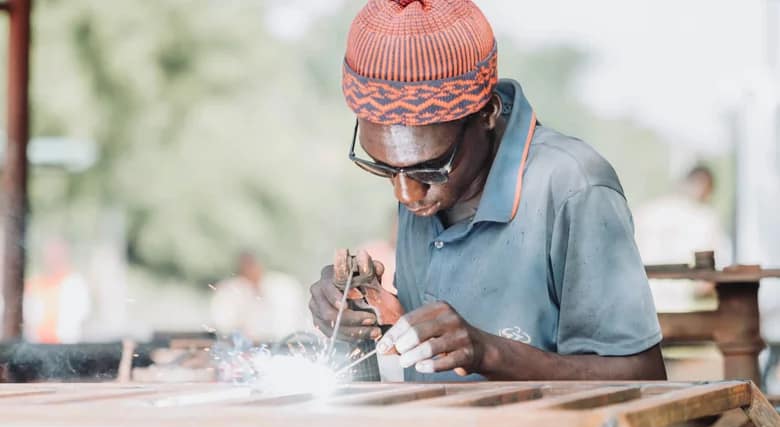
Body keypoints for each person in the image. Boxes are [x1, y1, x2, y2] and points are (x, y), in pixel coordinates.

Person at [309, 0, 666, 382]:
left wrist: (489, 352)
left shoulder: (573, 187)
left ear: (488, 114)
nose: (406, 195)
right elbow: (438, 336)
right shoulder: (423, 185)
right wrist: (369, 316)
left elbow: (644, 376)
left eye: (429, 168)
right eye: (385, 167)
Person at [634, 165, 732, 312]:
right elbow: (707, 282)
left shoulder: (646, 212)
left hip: (645, 308)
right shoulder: (705, 218)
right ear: (706, 187)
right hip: (687, 312)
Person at [210, 251, 311, 342]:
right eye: (246, 269)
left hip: (285, 342)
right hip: (247, 345)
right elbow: (223, 324)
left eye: (252, 266)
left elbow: (294, 317)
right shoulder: (229, 290)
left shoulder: (283, 285)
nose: (251, 271)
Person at [23, 239, 91, 343]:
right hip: (36, 346)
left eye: (57, 254)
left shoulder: (74, 284)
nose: (53, 259)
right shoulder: (35, 284)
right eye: (50, 255)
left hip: (65, 347)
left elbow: (77, 320)